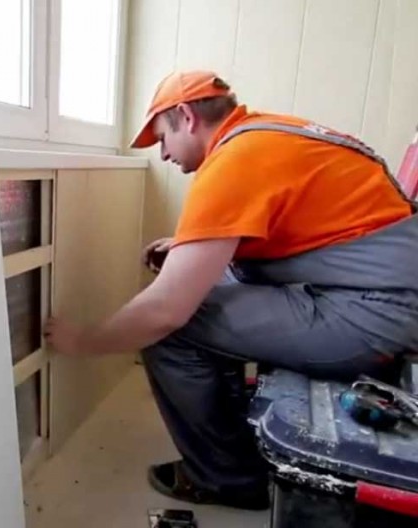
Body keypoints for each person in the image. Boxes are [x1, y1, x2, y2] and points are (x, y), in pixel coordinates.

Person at [44, 70, 418, 510]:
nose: (163, 154)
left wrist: (83, 340)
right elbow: (315, 226)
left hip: (376, 314)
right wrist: (192, 250)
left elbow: (165, 311)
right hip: (379, 286)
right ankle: (240, 441)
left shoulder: (232, 163)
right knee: (213, 284)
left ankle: (228, 478)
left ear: (185, 116)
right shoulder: (266, 134)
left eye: (162, 138)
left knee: (169, 330)